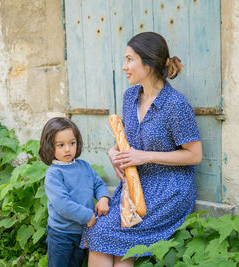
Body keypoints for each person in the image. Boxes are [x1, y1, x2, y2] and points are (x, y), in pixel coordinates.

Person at [83, 32, 203, 267]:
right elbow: (127, 137)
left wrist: (145, 156)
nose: (124, 66)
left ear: (147, 63)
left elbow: (195, 155)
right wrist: (113, 151)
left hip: (170, 188)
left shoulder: (175, 104)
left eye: (129, 59)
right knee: (100, 231)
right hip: (136, 182)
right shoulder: (130, 96)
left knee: (122, 239)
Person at [39, 117, 111, 267]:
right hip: (61, 234)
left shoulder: (84, 166)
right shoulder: (54, 174)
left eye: (72, 143)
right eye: (60, 145)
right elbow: (62, 204)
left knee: (76, 264)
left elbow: (98, 184)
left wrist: (103, 198)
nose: (67, 149)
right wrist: (87, 216)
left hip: (82, 231)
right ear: (49, 147)